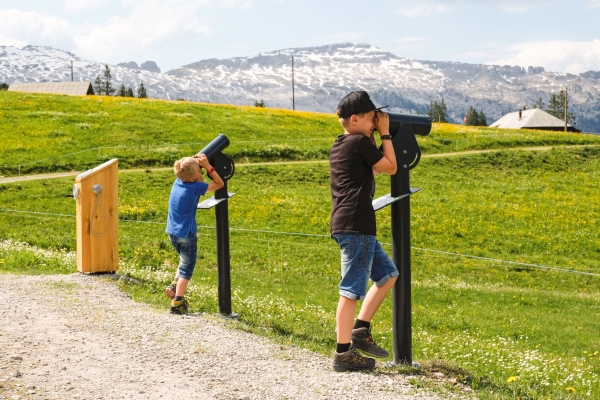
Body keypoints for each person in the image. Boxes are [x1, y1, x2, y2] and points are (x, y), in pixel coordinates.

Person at [329, 91, 398, 372]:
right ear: (355, 119)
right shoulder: (359, 141)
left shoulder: (343, 143)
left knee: (388, 275)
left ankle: (360, 330)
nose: (375, 122)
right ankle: (342, 353)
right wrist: (386, 134)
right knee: (350, 291)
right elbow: (391, 167)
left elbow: (377, 170)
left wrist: (375, 132)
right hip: (357, 225)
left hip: (349, 223)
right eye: (371, 119)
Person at [164, 154, 224, 314]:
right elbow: (219, 183)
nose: (202, 172)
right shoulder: (195, 187)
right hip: (187, 234)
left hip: (172, 232)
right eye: (200, 171)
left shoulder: (178, 181)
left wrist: (197, 164)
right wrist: (209, 167)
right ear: (192, 178)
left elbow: (187, 169)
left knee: (183, 261)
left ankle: (175, 285)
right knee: (187, 269)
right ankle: (176, 304)